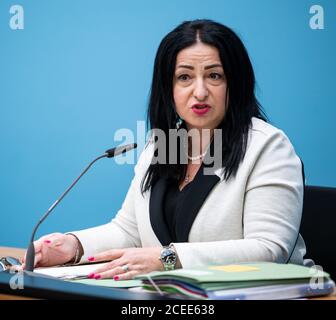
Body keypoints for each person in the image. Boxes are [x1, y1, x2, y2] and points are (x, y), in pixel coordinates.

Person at [22, 19, 307, 280]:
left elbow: (269, 250)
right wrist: (72, 247)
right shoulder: (162, 145)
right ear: (168, 87)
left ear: (236, 83)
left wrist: (167, 259)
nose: (199, 92)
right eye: (184, 77)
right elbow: (128, 231)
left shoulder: (268, 147)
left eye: (215, 76)